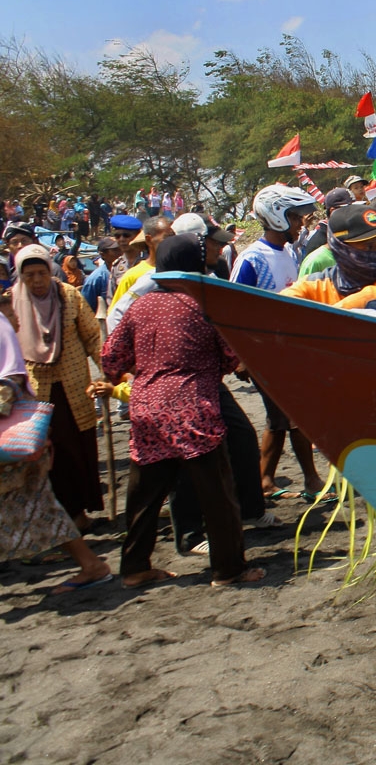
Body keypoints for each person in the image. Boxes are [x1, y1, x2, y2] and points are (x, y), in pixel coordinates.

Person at [101, 234, 265, 588]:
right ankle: (229, 569)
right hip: (193, 408)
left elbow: (111, 360)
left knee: (144, 495)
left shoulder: (140, 306)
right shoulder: (202, 305)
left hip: (145, 407)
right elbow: (232, 357)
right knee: (217, 495)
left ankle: (134, 568)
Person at [0, 317, 111, 593]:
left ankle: (92, 565)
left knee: (38, 502)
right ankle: (91, 565)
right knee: (37, 503)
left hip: (11, 439)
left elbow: (11, 378)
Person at [234, 185, 327, 499]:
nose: (301, 224)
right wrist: (242, 355)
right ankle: (311, 480)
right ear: (276, 217)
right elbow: (234, 309)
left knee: (279, 418)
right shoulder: (251, 259)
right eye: (295, 218)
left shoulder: (288, 252)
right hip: (263, 352)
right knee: (292, 415)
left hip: (286, 350)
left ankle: (265, 480)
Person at [10, 245, 105, 531]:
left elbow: (92, 337)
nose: (37, 281)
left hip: (75, 388)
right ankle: (58, 519)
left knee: (79, 450)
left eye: (41, 273)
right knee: (49, 457)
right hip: (34, 393)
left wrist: (109, 374)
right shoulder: (11, 304)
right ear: (20, 275)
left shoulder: (69, 296)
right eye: (29, 275)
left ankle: (79, 515)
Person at [282, 205, 376, 311]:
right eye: (368, 246)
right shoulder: (317, 284)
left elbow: (374, 301)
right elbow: (278, 306)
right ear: (341, 248)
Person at [110, 216, 175, 308]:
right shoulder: (131, 275)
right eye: (117, 236)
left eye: (126, 235)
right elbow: (116, 312)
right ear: (148, 240)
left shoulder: (178, 269)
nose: (121, 239)